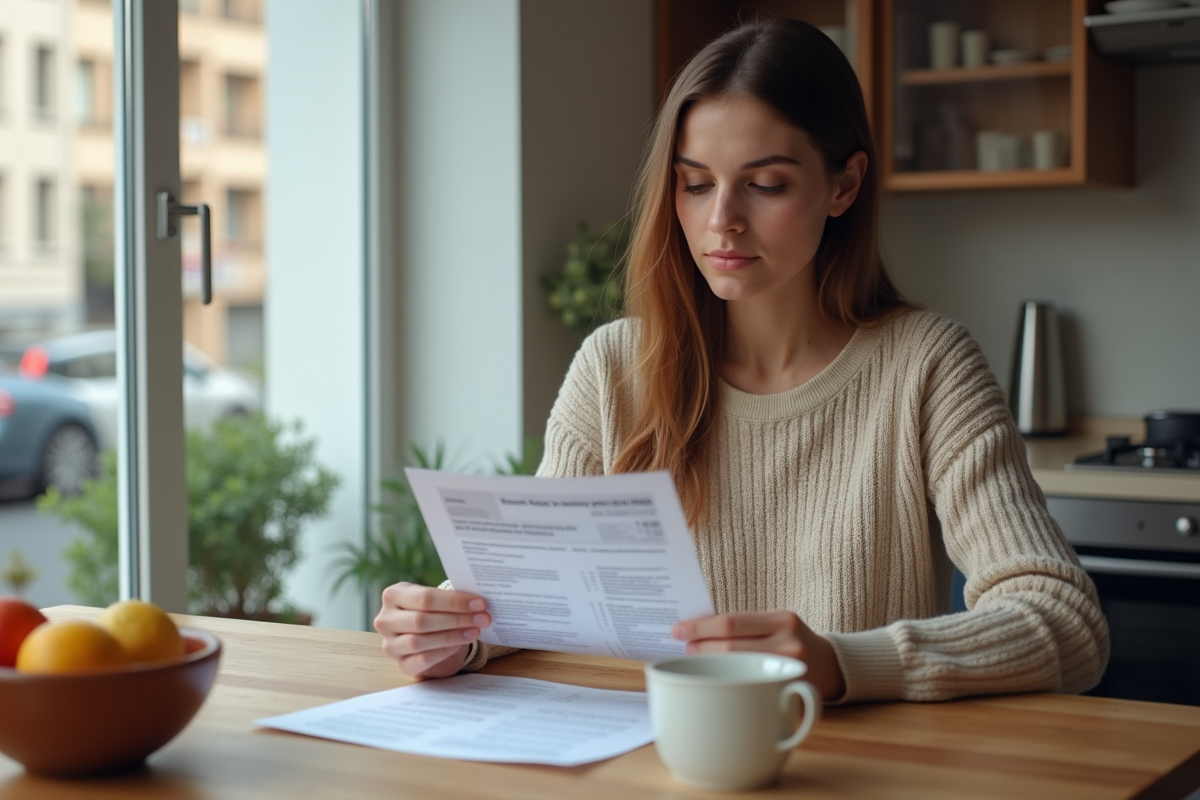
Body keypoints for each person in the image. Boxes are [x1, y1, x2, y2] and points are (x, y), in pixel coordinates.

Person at [374, 18, 1109, 703]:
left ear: (843, 185)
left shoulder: (927, 367)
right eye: (695, 184)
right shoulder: (614, 368)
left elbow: (1065, 621)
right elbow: (539, 598)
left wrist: (844, 663)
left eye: (765, 184)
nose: (721, 218)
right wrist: (451, 631)